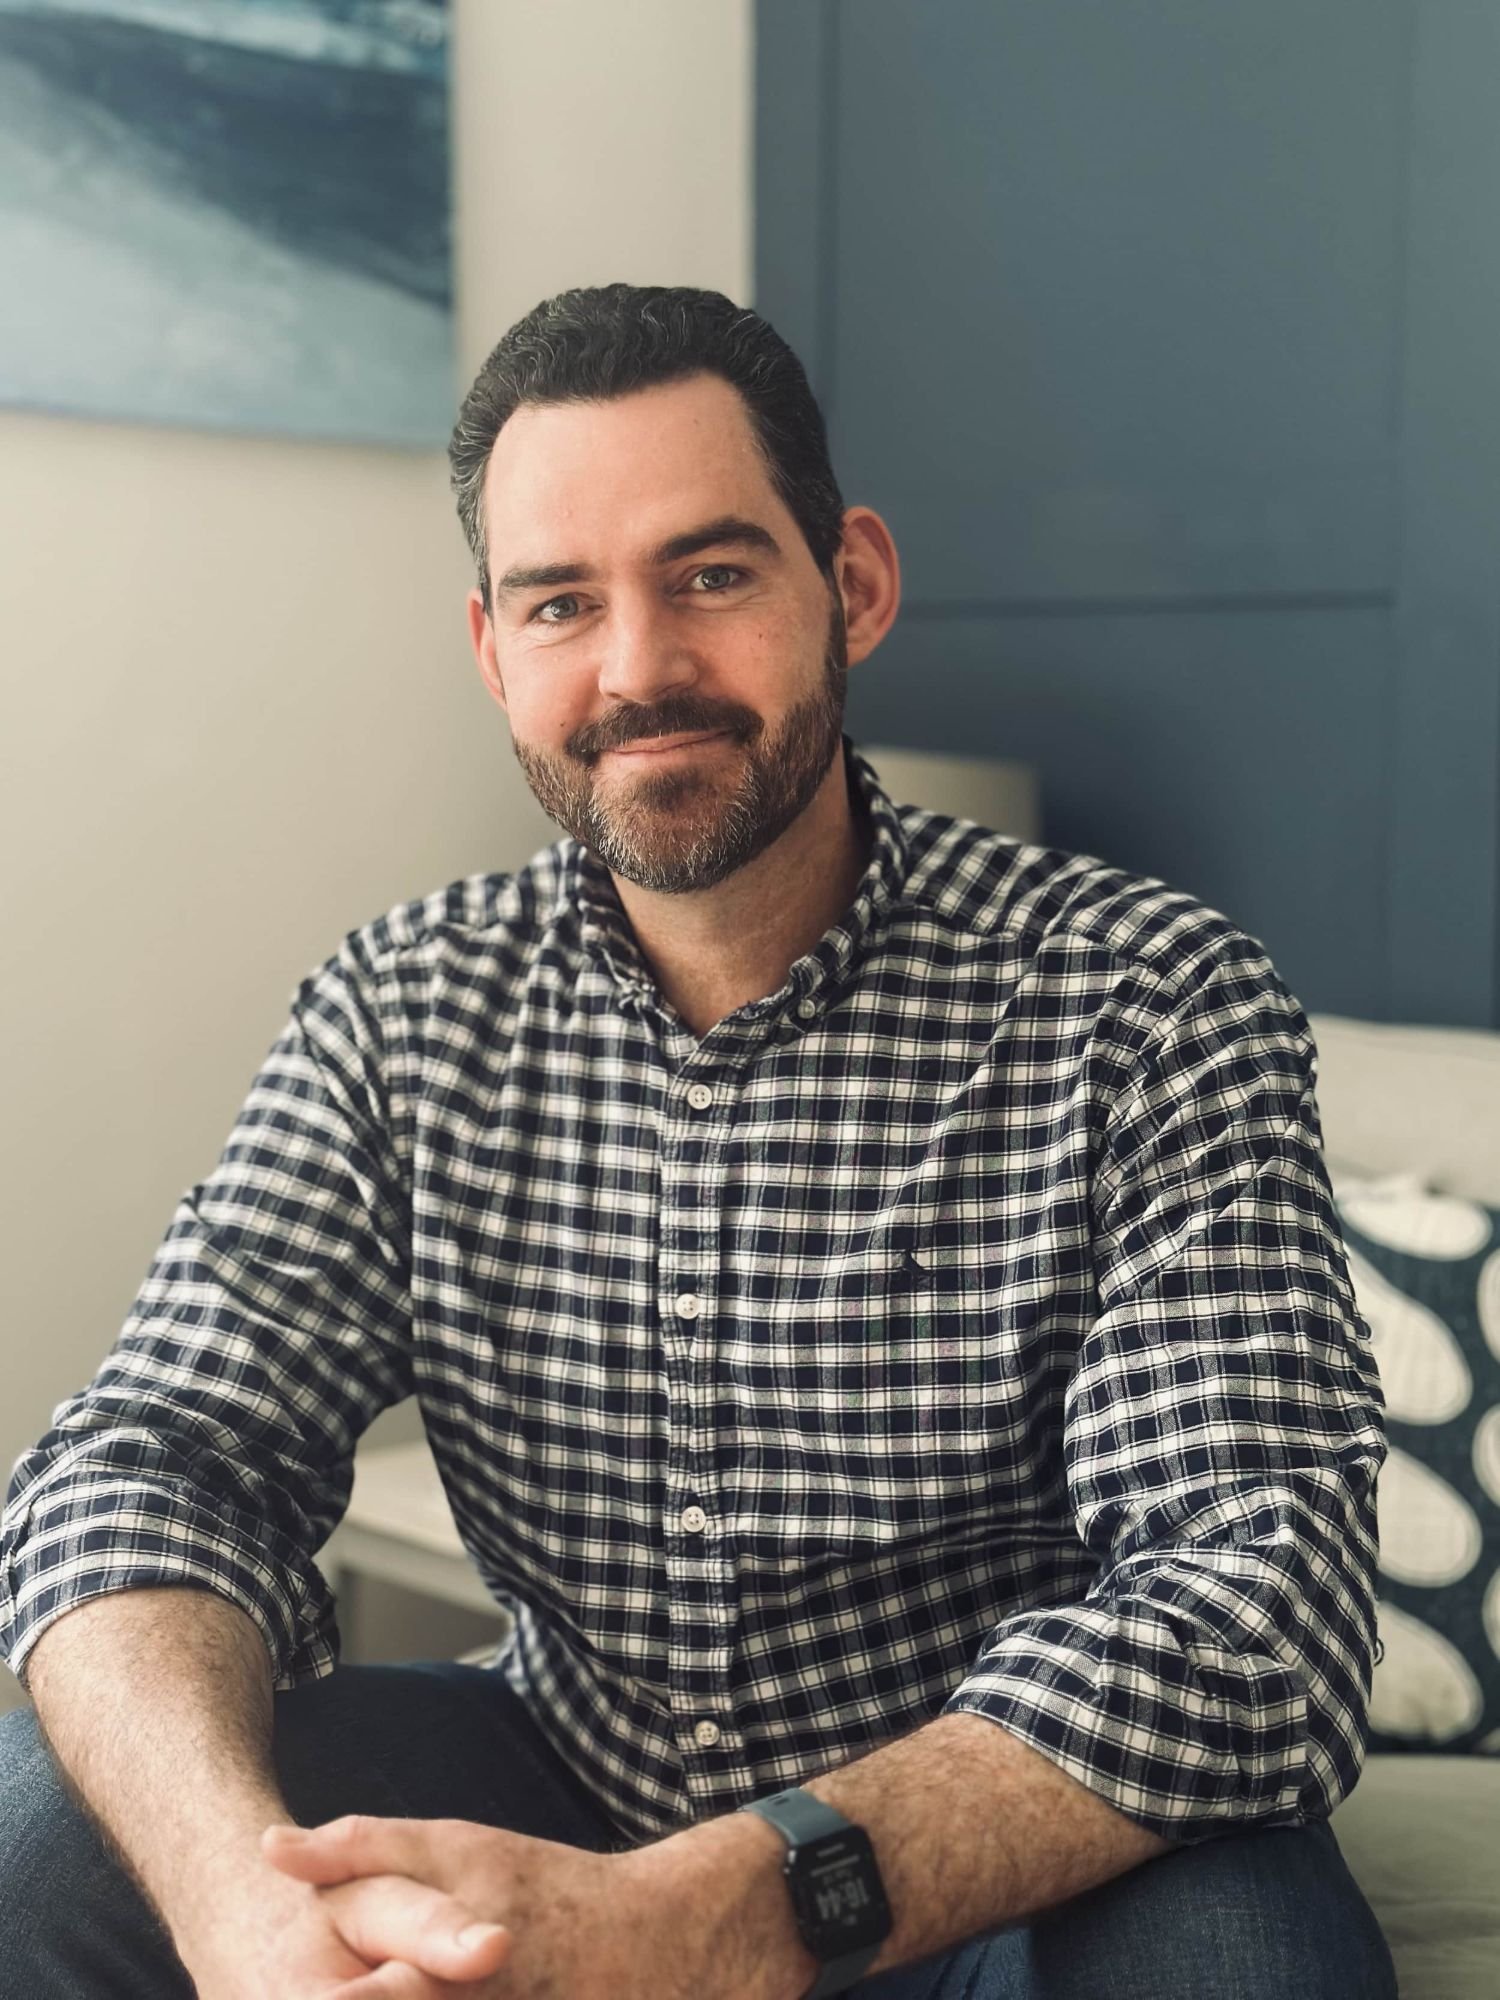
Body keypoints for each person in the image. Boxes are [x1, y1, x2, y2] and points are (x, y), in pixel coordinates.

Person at [0, 284, 1397, 2000]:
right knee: (35, 1835)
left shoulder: (1148, 998)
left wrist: (719, 1908)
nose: (638, 668)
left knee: (1246, 1968)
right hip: (566, 1763)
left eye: (712, 575)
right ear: (494, 652)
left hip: (1005, 1833)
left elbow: (1259, 1595)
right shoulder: (401, 1011)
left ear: (852, 585)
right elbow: (149, 1464)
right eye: (562, 603)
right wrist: (234, 1909)